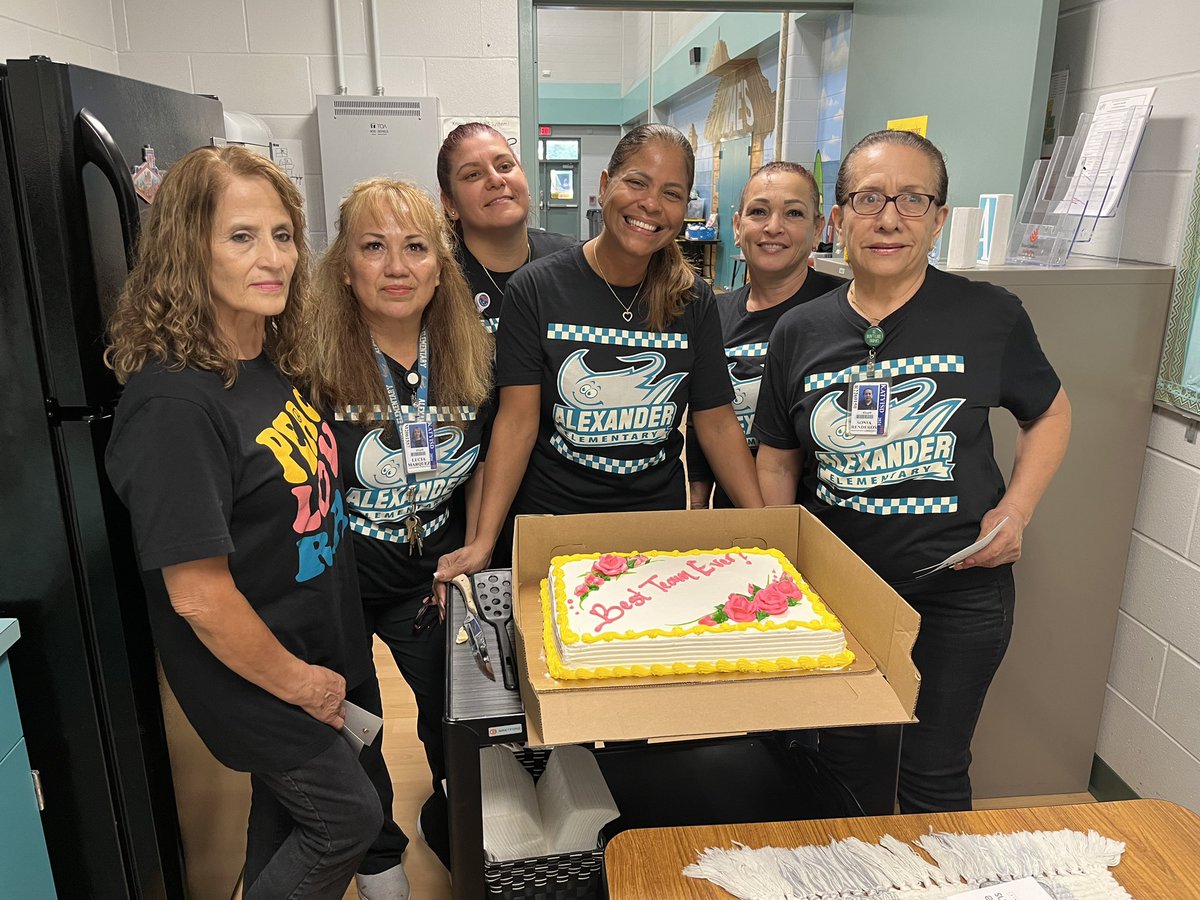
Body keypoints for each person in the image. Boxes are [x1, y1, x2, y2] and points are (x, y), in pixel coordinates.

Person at [754, 130, 1072, 813]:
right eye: (868, 198)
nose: (890, 218)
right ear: (837, 219)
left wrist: (1016, 511)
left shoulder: (988, 316)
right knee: (847, 772)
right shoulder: (800, 331)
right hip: (842, 593)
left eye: (913, 199)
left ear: (939, 218)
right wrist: (784, 561)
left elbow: (1049, 414)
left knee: (933, 774)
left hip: (958, 591)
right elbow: (778, 456)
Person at [104, 146, 380, 899]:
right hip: (256, 673)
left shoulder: (269, 357)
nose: (273, 258)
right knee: (346, 820)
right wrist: (300, 684)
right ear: (188, 250)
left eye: (283, 235)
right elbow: (197, 594)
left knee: (284, 823)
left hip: (311, 641)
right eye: (240, 237)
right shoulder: (174, 404)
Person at [437, 123, 764, 581]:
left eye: (672, 193)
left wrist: (765, 529)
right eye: (637, 182)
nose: (651, 204)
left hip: (654, 529)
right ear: (606, 185)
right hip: (554, 525)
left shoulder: (693, 299)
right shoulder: (537, 288)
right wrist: (484, 542)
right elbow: (516, 421)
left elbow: (715, 420)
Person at [301, 178, 493, 884]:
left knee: (455, 716)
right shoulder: (309, 363)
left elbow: (486, 463)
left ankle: (455, 822)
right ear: (343, 266)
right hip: (339, 582)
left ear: (440, 264)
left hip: (431, 577)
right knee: (355, 729)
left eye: (415, 248)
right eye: (373, 248)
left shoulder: (469, 353)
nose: (395, 267)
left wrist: (467, 557)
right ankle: (380, 865)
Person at [687, 161, 844, 509]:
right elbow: (704, 419)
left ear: (818, 228)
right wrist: (698, 503)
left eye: (793, 214)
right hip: (738, 513)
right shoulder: (715, 313)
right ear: (737, 226)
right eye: (759, 212)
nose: (774, 227)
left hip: (825, 519)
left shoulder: (846, 310)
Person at [437, 122, 576, 335]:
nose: (495, 180)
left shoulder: (568, 260)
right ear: (450, 204)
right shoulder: (438, 278)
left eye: (505, 166)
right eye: (473, 174)